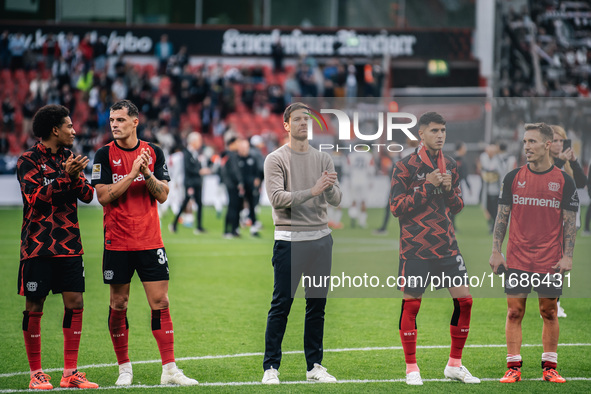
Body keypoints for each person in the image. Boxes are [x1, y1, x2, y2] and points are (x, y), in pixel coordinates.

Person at [91, 100, 197, 386]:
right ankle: (124, 368)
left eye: (121, 120)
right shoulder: (103, 154)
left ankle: (170, 370)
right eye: (112, 120)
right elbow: (103, 196)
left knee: (160, 302)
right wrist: (131, 174)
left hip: (150, 241)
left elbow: (162, 195)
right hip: (117, 242)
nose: (114, 124)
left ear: (135, 122)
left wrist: (147, 172)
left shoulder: (153, 152)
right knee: (119, 303)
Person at [390, 112, 480, 386]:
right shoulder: (404, 166)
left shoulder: (450, 164)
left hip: (447, 246)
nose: (440, 135)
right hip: (416, 248)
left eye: (443, 130)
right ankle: (411, 367)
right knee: (412, 306)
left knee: (465, 301)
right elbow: (396, 208)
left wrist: (450, 191)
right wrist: (427, 187)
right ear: (421, 134)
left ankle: (454, 364)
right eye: (434, 131)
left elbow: (458, 206)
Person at [489, 122, 578, 384]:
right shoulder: (512, 178)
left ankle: (550, 367)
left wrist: (568, 255)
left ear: (548, 145)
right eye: (525, 142)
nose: (526, 146)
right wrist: (496, 251)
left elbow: (570, 223)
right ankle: (513, 368)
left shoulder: (564, 181)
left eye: (532, 142)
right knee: (514, 312)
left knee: (549, 312)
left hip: (550, 259)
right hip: (517, 257)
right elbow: (502, 217)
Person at [16, 104, 98, 390]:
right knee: (34, 306)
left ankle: (70, 373)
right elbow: (35, 199)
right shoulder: (27, 160)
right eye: (69, 126)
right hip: (38, 246)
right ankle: (36, 373)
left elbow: (88, 195)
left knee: (76, 304)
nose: (74, 131)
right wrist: (65, 176)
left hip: (70, 245)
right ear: (55, 129)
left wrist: (74, 175)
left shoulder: (69, 158)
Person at [262, 102, 342, 385]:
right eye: (297, 120)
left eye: (307, 119)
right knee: (281, 304)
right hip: (289, 241)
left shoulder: (323, 158)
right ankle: (271, 367)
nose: (303, 124)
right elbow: (277, 199)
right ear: (286, 125)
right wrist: (313, 190)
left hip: (321, 240)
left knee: (317, 306)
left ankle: (315, 366)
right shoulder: (275, 159)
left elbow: (336, 199)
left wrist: (329, 188)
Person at [169, 132, 211, 234]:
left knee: (199, 204)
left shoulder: (195, 153)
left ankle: (199, 226)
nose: (200, 143)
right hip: (190, 183)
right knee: (185, 203)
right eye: (199, 140)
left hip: (197, 182)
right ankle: (174, 223)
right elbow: (188, 168)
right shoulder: (186, 153)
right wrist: (200, 171)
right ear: (193, 141)